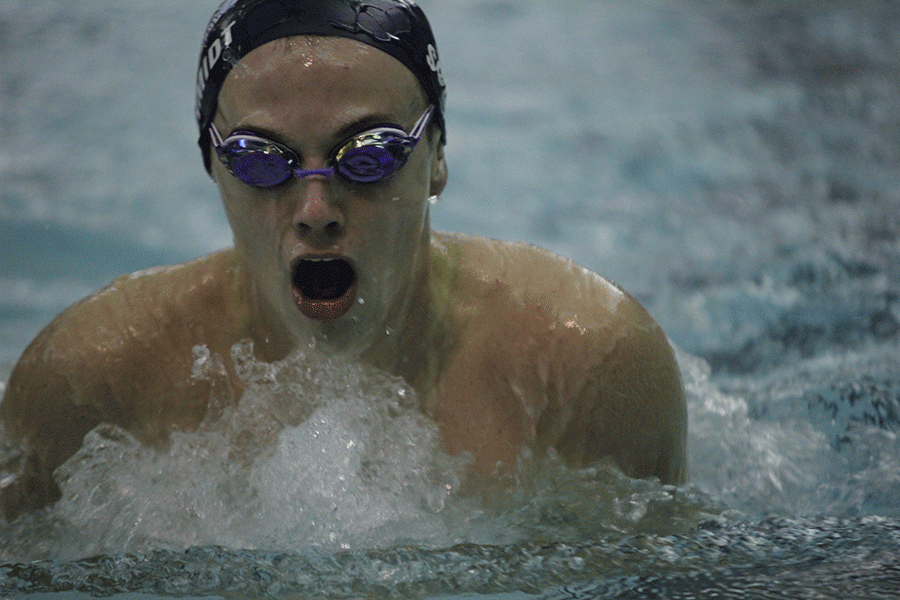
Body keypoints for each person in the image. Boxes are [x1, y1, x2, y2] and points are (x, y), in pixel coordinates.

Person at [0, 0, 686, 522]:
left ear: (438, 156)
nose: (315, 207)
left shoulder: (587, 366)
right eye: (260, 160)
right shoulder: (90, 385)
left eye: (370, 154)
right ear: (212, 165)